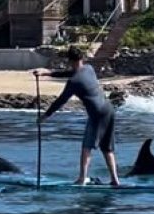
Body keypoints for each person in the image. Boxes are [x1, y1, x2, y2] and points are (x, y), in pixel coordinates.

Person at [34, 46, 120, 186]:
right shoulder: (89, 69)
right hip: (109, 109)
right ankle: (115, 180)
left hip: (97, 113)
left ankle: (81, 179)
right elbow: (71, 73)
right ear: (82, 58)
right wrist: (47, 73)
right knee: (107, 148)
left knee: (87, 147)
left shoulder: (74, 82)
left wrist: (45, 116)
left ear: (69, 60)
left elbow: (60, 101)